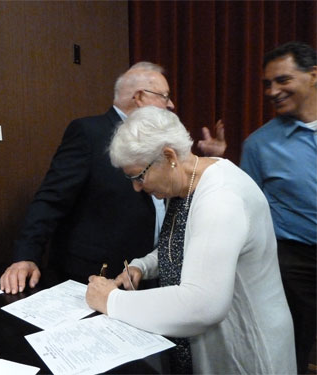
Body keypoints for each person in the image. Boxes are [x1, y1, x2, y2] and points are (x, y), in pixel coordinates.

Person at [86, 106, 296, 374]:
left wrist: (110, 300)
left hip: (246, 348)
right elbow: (189, 246)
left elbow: (202, 305)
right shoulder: (188, 184)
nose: (137, 187)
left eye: (139, 176)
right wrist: (142, 266)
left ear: (169, 156)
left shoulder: (220, 198)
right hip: (207, 343)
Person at [0, 62, 226, 294]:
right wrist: (26, 256)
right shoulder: (89, 133)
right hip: (96, 276)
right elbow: (51, 199)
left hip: (149, 274)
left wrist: (202, 161)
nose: (171, 104)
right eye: (164, 96)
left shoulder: (161, 141)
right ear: (139, 97)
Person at [240, 41, 316, 374]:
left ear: (313, 75)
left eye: (282, 80)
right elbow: (247, 212)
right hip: (293, 262)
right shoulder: (258, 145)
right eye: (267, 84)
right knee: (293, 348)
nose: (273, 91)